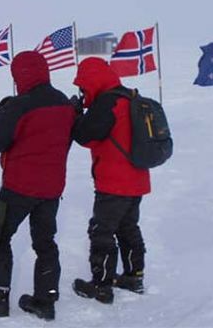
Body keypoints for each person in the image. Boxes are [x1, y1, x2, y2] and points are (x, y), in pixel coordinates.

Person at [0, 51, 76, 321]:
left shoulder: (21, 105)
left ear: (19, 75)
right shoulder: (64, 103)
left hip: (18, 186)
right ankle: (45, 300)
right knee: (45, 242)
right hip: (52, 188)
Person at [71, 57, 150, 304]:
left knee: (101, 230)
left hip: (114, 181)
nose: (82, 92)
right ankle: (133, 276)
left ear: (92, 81)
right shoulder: (129, 96)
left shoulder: (107, 102)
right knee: (128, 227)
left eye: (83, 87)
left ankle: (101, 285)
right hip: (137, 177)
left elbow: (86, 136)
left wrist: (75, 115)